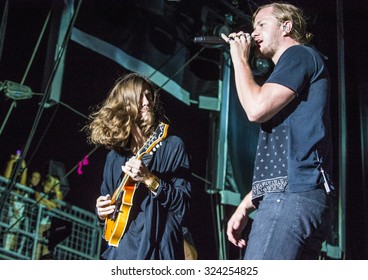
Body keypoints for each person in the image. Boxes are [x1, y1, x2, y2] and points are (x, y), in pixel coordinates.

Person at [221, 2, 334, 259]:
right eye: (253, 27)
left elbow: (256, 109)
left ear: (286, 26)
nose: (254, 33)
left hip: (291, 199)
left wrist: (239, 59)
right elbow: (288, 157)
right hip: (296, 196)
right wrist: (245, 205)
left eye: (261, 24)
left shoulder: (299, 55)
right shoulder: (292, 68)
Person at [84, 72, 192, 260]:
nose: (147, 102)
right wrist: (101, 212)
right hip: (122, 252)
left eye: (149, 95)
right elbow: (110, 216)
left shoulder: (172, 145)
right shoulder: (114, 158)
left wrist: (150, 179)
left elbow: (183, 207)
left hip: (159, 251)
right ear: (124, 105)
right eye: (140, 96)